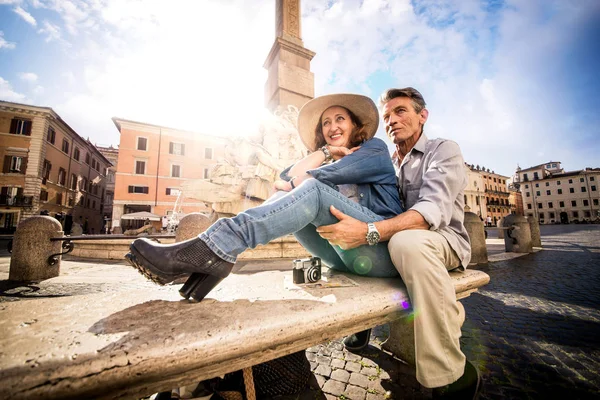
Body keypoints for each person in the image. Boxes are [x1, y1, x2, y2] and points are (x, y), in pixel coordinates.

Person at [125, 93, 402, 331]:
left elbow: (308, 179)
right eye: (326, 123)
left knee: (311, 190)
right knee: (288, 194)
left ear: (355, 125)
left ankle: (213, 248)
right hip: (343, 253)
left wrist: (296, 181)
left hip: (380, 247)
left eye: (340, 119)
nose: (332, 126)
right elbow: (284, 178)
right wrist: (327, 152)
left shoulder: (374, 149)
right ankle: (216, 256)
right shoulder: (328, 151)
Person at [316, 87, 480, 399]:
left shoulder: (443, 150)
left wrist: (368, 231)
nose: (392, 120)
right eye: (388, 115)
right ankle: (362, 321)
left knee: (406, 243)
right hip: (397, 242)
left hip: (443, 242)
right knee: (344, 248)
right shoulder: (386, 159)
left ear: (423, 116)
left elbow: (429, 213)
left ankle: (452, 374)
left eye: (401, 111)